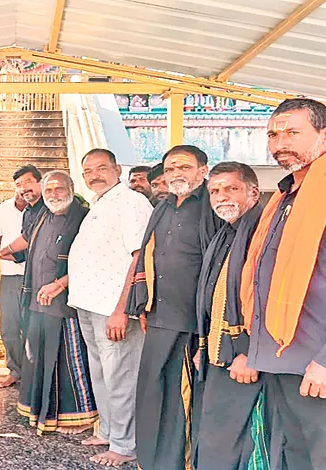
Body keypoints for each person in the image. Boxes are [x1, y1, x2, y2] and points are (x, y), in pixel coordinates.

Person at [241, 98, 326, 469]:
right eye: (273, 135)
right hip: (281, 358)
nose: (280, 144)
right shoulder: (284, 195)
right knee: (295, 454)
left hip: (316, 362)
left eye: (293, 133)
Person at [126, 145, 222, 470]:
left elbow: (220, 264)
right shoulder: (163, 206)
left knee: (182, 400)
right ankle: (151, 461)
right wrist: (141, 303)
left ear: (203, 170)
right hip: (157, 317)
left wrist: (209, 323)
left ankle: (178, 463)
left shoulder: (211, 205)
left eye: (184, 167)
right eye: (170, 169)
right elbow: (146, 255)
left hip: (191, 321)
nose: (176, 174)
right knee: (153, 392)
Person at [0, 171, 97, 435]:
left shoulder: (83, 216)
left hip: (66, 303)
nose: (54, 194)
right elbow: (26, 239)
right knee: (37, 358)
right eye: (49, 190)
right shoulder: (42, 214)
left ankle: (79, 417)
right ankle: (39, 411)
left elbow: (90, 259)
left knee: (68, 361)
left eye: (59, 188)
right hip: (37, 300)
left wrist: (61, 284)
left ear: (71, 187)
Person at [68, 149, 152, 467]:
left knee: (121, 377)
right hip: (89, 303)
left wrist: (122, 309)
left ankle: (125, 445)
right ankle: (107, 431)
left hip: (112, 307)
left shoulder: (131, 202)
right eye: (88, 171)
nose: (94, 175)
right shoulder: (100, 203)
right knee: (102, 374)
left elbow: (138, 257)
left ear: (117, 169)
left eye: (101, 168)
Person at [193, 162, 267, 470]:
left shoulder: (263, 232)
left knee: (241, 441)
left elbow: (266, 297)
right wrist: (204, 346)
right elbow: (213, 296)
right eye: (215, 191)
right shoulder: (226, 233)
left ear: (253, 193)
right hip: (219, 352)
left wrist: (250, 352)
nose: (222, 196)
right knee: (215, 433)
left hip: (245, 358)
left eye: (231, 188)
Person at [0, 190, 27, 388]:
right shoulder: (5, 208)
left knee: (33, 330)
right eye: (19, 184)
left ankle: (34, 374)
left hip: (36, 277)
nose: (23, 189)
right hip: (9, 275)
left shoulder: (43, 208)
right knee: (9, 328)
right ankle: (15, 371)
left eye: (28, 183)